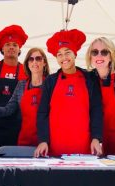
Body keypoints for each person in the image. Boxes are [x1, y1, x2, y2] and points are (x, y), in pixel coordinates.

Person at [34, 29, 103, 157]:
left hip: (85, 147)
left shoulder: (89, 78)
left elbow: (96, 110)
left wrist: (96, 137)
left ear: (75, 54)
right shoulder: (51, 81)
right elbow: (42, 112)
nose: (64, 58)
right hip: (55, 147)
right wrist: (43, 140)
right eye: (59, 54)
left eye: (67, 53)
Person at [0, 24, 28, 154]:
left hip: (17, 127)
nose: (11, 47)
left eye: (15, 45)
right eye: (7, 44)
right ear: (2, 49)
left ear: (19, 49)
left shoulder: (26, 70)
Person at [0, 47, 50, 146]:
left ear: (44, 62)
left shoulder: (51, 83)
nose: (34, 62)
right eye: (31, 59)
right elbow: (9, 109)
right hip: (25, 139)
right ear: (28, 63)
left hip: (46, 141)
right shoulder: (21, 85)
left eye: (38, 58)